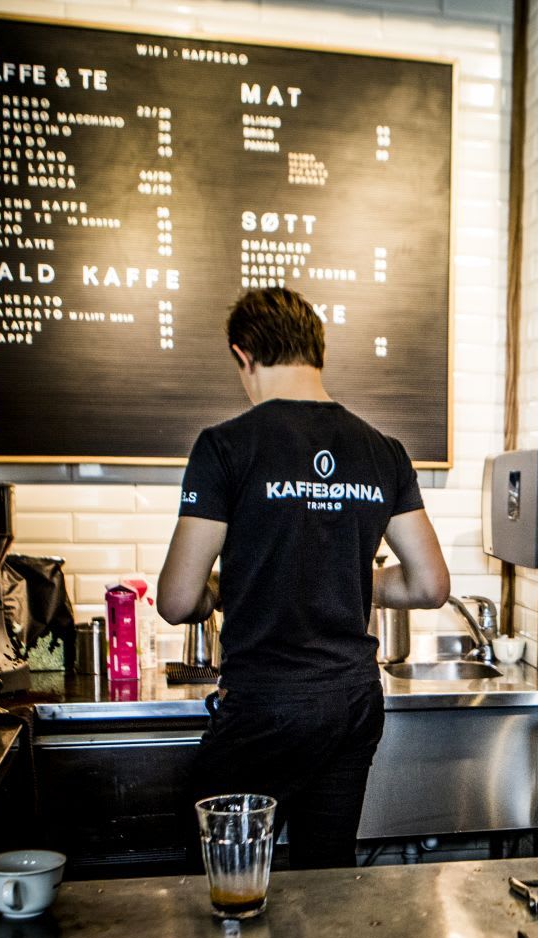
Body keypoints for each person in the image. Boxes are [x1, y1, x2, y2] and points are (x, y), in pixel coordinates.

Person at [158, 287, 450, 869]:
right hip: (353, 701)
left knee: (221, 878)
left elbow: (177, 598)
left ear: (244, 356)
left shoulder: (224, 447)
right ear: (317, 350)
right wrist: (347, 579)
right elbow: (428, 586)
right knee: (327, 878)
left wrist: (226, 590)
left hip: (266, 703)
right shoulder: (383, 450)